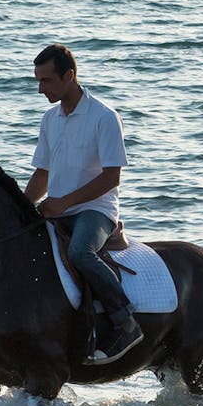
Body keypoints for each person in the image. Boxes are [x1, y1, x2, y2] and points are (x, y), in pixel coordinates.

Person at [23, 43, 145, 365]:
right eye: (37, 81)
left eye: (46, 81)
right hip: (58, 208)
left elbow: (111, 177)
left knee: (80, 252)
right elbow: (42, 175)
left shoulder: (104, 117)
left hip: (96, 211)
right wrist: (20, 208)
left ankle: (125, 322)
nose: (40, 89)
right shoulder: (50, 119)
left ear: (70, 76)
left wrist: (63, 203)